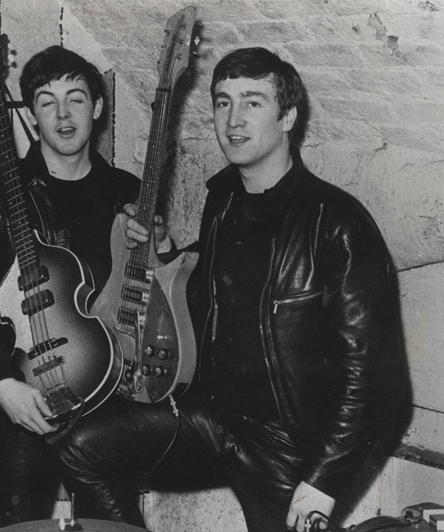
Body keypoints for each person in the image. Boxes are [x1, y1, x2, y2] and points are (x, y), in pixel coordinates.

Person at [55, 47, 408, 532]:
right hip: (212, 420)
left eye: (253, 102)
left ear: (288, 116)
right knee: (81, 447)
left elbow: (380, 385)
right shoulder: (221, 198)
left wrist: (323, 482)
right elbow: (218, 290)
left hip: (290, 449)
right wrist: (165, 253)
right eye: (223, 102)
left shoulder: (338, 224)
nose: (233, 120)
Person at [0, 45, 177, 530]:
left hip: (110, 397)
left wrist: (161, 251)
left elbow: (153, 303)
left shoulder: (127, 192)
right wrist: (2, 387)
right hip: (25, 395)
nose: (62, 115)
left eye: (76, 98)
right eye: (46, 100)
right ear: (31, 114)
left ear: (98, 108)